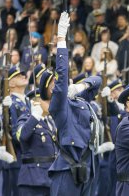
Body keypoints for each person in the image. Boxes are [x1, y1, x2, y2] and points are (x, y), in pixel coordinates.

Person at [39, 12, 102, 195]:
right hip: (67, 169)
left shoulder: (79, 101)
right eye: (54, 83)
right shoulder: (58, 105)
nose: (61, 83)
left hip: (87, 167)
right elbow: (62, 74)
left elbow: (97, 80)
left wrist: (81, 86)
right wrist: (61, 40)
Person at [16, 89, 58, 196]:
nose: (51, 103)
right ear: (36, 102)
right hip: (32, 179)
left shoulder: (51, 122)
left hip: (50, 178)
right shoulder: (25, 119)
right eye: (47, 100)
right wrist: (34, 116)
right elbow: (22, 136)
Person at [1, 67, 31, 196]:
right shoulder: (11, 103)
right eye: (19, 76)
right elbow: (12, 132)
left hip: (29, 158)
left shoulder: (29, 102)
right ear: (11, 83)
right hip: (18, 156)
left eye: (24, 74)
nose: (24, 76)